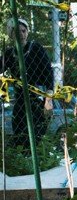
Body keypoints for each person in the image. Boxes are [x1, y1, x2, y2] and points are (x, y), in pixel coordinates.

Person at [1, 17, 52, 149]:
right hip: (20, 101)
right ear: (11, 34)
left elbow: (48, 74)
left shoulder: (36, 49)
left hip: (37, 100)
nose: (21, 34)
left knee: (37, 137)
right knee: (20, 136)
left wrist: (48, 99)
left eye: (24, 31)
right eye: (17, 32)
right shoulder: (9, 54)